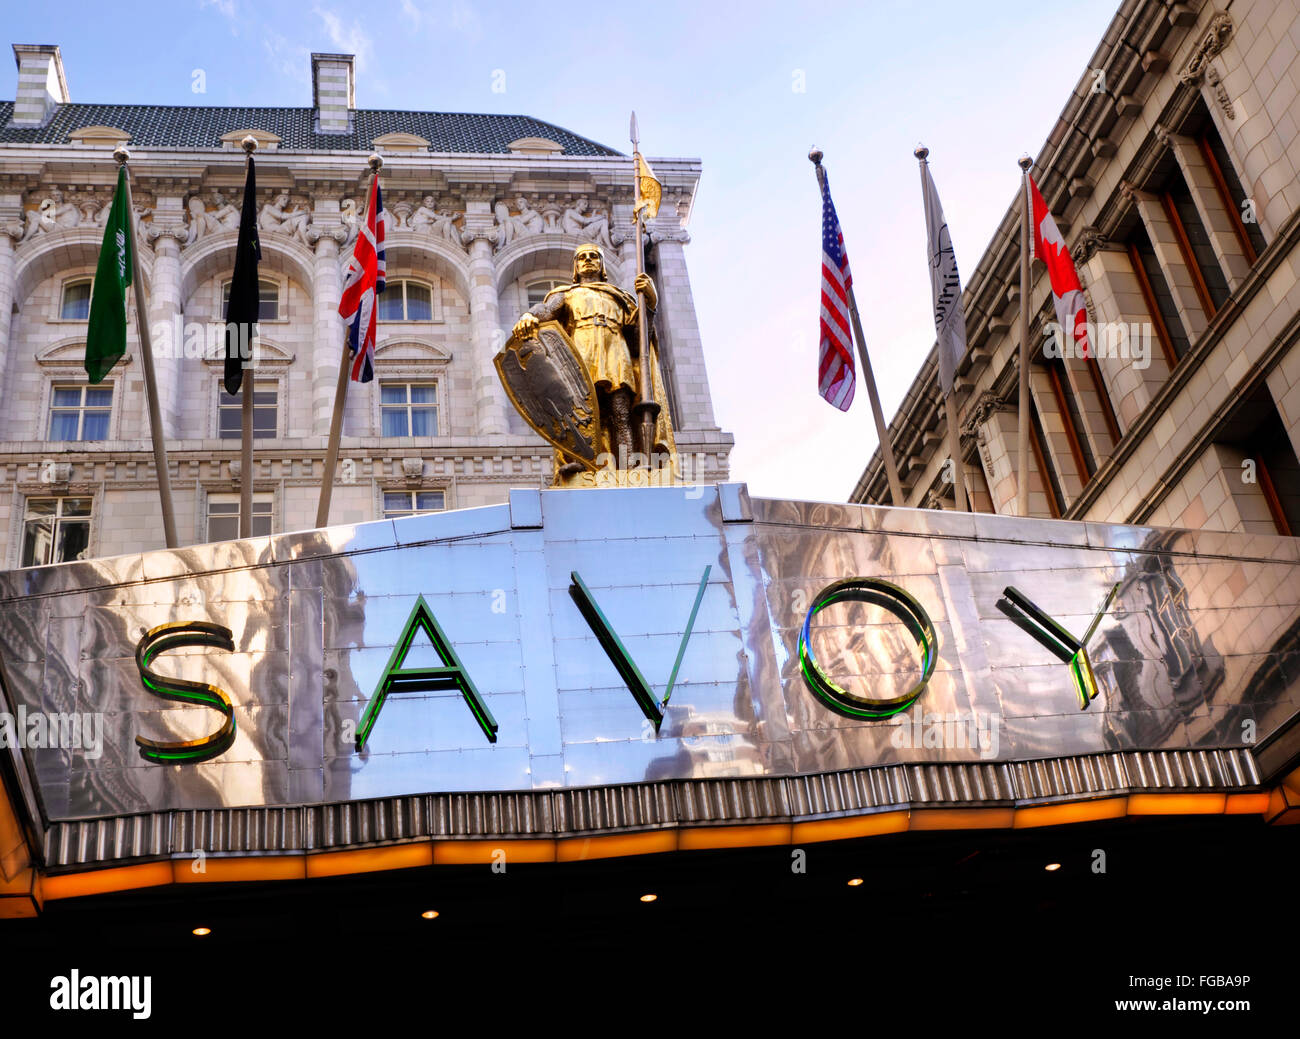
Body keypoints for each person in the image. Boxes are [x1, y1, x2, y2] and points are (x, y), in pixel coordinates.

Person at [511, 243, 676, 473]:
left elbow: (640, 341)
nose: (588, 260)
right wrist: (529, 315)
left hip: (615, 352)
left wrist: (650, 304)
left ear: (602, 264)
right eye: (582, 258)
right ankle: (582, 462)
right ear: (576, 267)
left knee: (621, 413)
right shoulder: (566, 294)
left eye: (594, 257)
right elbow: (546, 310)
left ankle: (628, 466)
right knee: (583, 413)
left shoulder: (620, 298)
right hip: (581, 352)